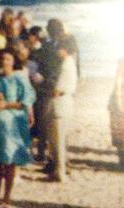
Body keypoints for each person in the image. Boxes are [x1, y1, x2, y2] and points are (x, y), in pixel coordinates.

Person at [0, 48, 35, 204]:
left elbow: (27, 99)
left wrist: (6, 105)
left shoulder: (19, 78)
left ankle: (6, 195)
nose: (4, 62)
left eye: (8, 59)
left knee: (9, 158)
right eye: (2, 59)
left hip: (12, 123)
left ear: (13, 61)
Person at [48, 37, 78, 182]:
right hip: (67, 102)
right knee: (61, 139)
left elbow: (57, 89)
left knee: (58, 141)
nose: (56, 51)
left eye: (59, 48)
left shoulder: (65, 64)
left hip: (60, 103)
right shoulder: (71, 62)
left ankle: (60, 171)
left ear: (64, 49)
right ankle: (60, 170)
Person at [108, 57, 124, 169]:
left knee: (119, 134)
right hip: (120, 103)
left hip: (118, 103)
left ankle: (121, 160)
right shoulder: (122, 65)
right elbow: (118, 86)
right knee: (120, 132)